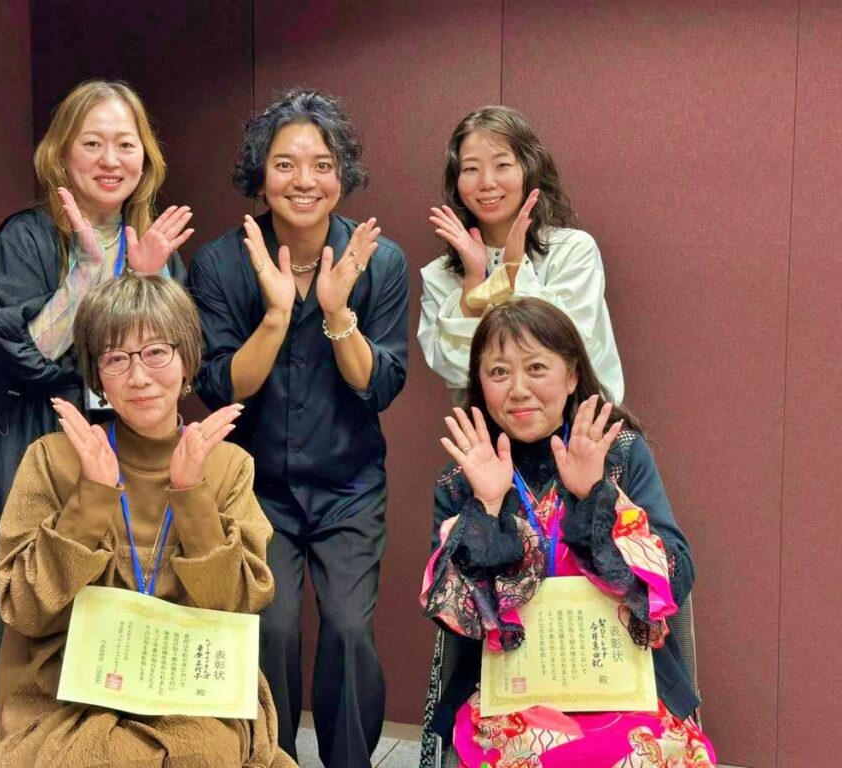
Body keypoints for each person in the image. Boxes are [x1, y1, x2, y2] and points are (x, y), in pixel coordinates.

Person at [0, 79, 193, 767]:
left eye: (126, 144)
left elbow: (169, 363)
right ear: (61, 153)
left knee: (104, 590)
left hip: (113, 441)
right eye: (93, 143)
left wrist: (146, 283)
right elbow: (28, 355)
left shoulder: (153, 242)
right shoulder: (23, 237)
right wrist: (88, 272)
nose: (112, 159)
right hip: (18, 432)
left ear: (146, 156)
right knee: (12, 591)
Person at [0, 274, 294, 767]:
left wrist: (192, 495)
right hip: (67, 691)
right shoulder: (52, 459)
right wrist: (91, 497)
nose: (139, 377)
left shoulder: (228, 467)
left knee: (205, 754)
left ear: (187, 360)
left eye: (156, 352)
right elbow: (26, 609)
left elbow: (236, 607)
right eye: (116, 358)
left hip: (190, 690)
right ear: (97, 375)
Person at [186, 89, 409, 768]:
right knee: (271, 628)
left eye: (321, 164)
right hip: (257, 490)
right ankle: (271, 758)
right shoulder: (221, 264)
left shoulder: (380, 262)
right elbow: (220, 387)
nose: (304, 180)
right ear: (261, 174)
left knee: (347, 630)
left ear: (343, 175)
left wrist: (338, 314)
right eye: (285, 164)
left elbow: (380, 386)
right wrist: (278, 317)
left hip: (349, 486)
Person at [419, 297, 715, 767]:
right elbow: (453, 617)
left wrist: (596, 495)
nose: (518, 389)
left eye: (536, 367)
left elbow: (675, 576)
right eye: (498, 372)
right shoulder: (464, 476)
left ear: (572, 375)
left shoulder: (617, 453)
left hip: (622, 680)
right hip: (509, 692)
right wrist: (486, 508)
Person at [418, 106, 624, 405]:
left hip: (582, 425)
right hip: (486, 433)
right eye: (471, 169)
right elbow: (457, 369)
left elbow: (561, 350)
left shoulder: (573, 250)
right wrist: (473, 280)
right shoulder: (439, 275)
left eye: (502, 165)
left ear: (529, 168)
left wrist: (513, 270)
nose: (487, 182)